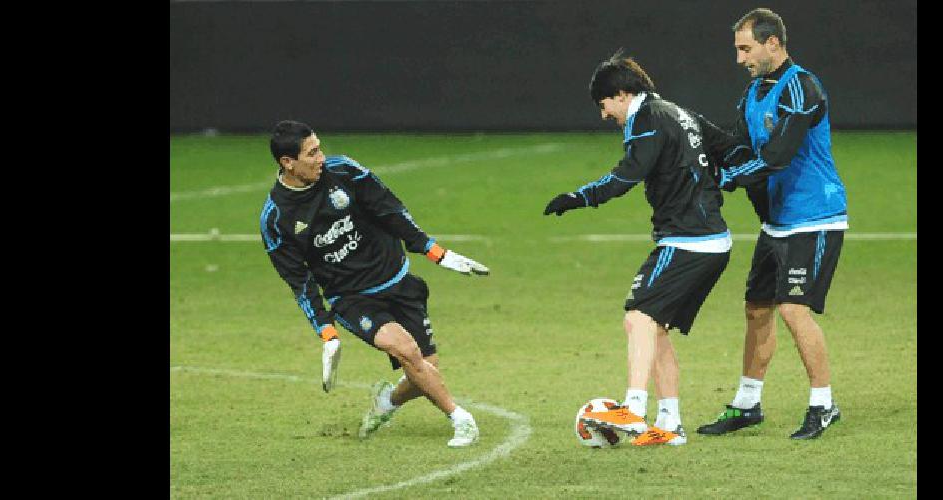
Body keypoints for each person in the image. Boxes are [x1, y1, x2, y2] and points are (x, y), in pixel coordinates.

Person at [259, 120, 490, 448]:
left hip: (398, 281)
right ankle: (461, 419)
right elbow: (299, 282)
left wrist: (434, 251)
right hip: (353, 299)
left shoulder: (344, 171)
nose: (321, 157)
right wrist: (327, 334)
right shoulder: (276, 219)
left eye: (320, 147)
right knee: (408, 351)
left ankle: (387, 401)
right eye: (312, 153)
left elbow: (390, 209)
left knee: (425, 368)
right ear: (288, 163)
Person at [544, 51, 733, 446]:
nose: (604, 115)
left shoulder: (645, 120)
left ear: (621, 93)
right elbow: (728, 148)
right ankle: (670, 425)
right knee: (655, 328)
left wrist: (579, 198)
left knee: (638, 317)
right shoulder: (678, 112)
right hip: (709, 239)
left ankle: (632, 409)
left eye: (604, 105)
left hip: (689, 240)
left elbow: (627, 174)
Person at [695, 7, 848, 440]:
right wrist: (693, 130)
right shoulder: (753, 94)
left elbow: (776, 156)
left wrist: (728, 177)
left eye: (746, 48)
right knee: (757, 308)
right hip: (778, 222)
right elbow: (740, 146)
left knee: (793, 309)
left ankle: (823, 404)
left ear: (773, 43)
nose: (740, 58)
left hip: (814, 217)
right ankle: (747, 403)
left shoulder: (802, 87)